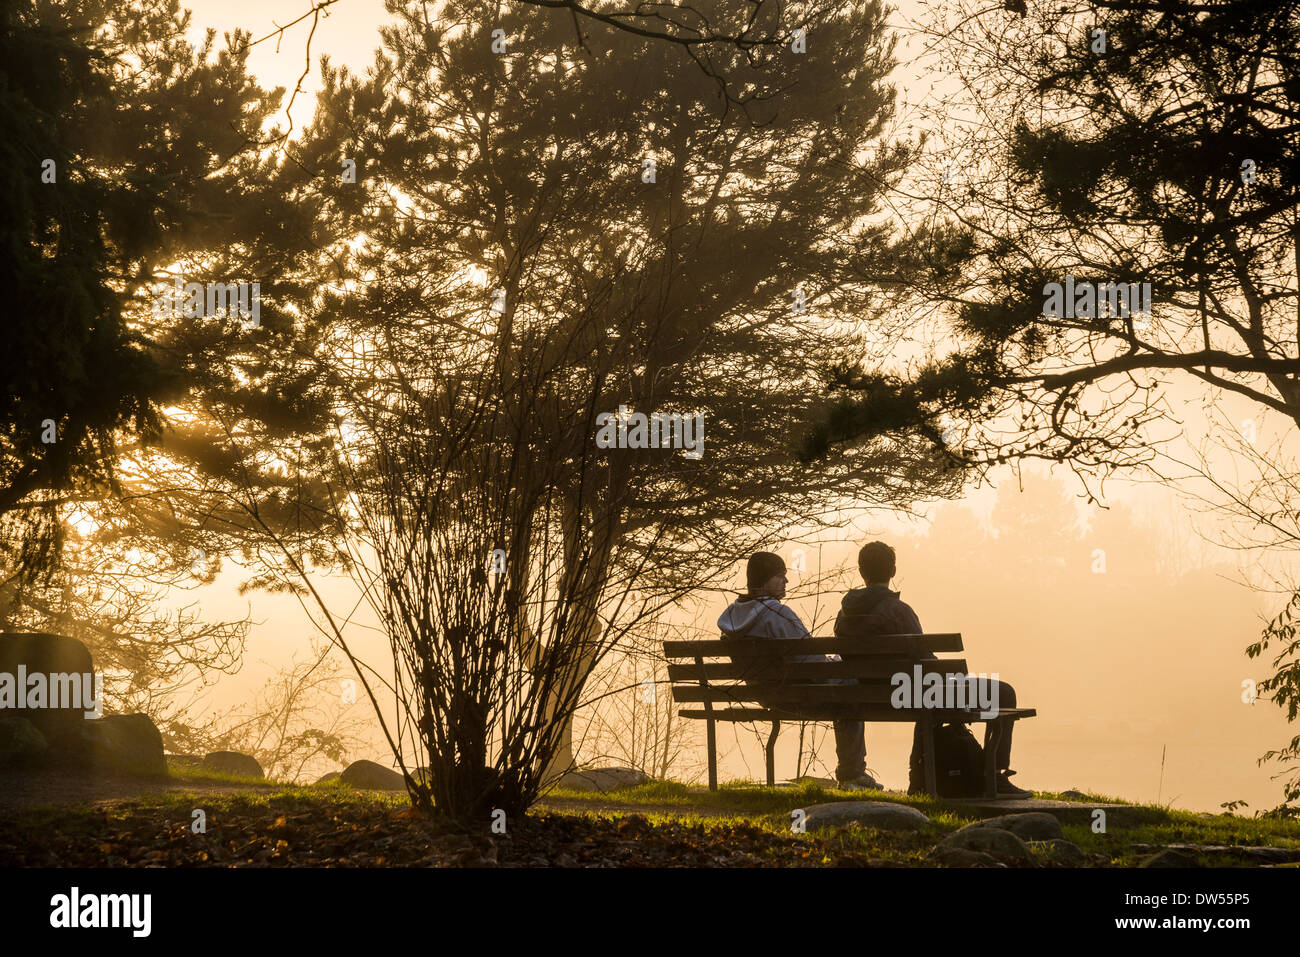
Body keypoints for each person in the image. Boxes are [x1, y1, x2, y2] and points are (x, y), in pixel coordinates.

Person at [834, 541, 1032, 799]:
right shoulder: (898, 610)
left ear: (861, 572)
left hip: (866, 693)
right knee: (1003, 693)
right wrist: (953, 678)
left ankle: (922, 778)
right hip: (909, 693)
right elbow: (925, 659)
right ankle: (994, 776)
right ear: (893, 571)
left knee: (934, 696)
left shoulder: (844, 613)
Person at [717, 551, 882, 790]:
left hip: (763, 694)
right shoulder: (776, 613)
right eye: (780, 576)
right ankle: (851, 774)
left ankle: (852, 774)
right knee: (850, 690)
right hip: (795, 695)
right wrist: (836, 663)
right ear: (765, 580)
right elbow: (812, 661)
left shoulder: (732, 617)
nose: (786, 581)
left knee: (844, 686)